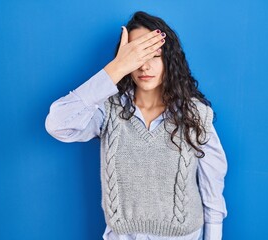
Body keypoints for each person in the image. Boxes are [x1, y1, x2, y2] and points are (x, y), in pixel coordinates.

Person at [45, 11, 228, 240]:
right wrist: (115, 69)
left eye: (154, 54)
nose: (144, 66)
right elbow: (57, 124)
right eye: (136, 55)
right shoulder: (108, 111)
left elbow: (212, 192)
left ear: (169, 59)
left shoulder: (195, 115)